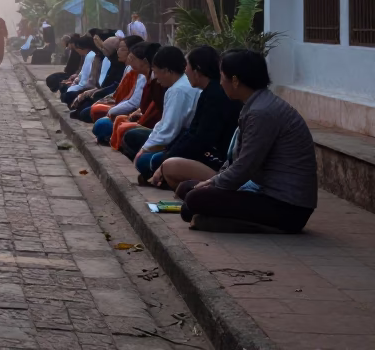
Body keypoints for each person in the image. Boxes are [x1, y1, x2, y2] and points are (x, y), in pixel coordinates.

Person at [176, 50, 317, 234]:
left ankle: (245, 224)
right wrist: (214, 182)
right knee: (187, 189)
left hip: (286, 206)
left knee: (195, 199)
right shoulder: (256, 105)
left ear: (235, 81)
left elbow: (245, 166)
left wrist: (213, 183)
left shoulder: (262, 112)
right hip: (262, 190)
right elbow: (238, 161)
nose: (220, 82)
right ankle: (213, 218)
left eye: (222, 77)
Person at [150, 46, 242, 189]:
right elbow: (192, 132)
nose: (185, 71)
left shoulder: (217, 95)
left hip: (219, 162)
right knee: (160, 161)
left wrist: (166, 160)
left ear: (197, 70)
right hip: (208, 155)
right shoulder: (208, 92)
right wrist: (168, 155)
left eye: (187, 66)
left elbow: (201, 139)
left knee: (161, 164)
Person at [125, 45, 201, 174]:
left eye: (156, 71)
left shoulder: (178, 90)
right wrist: (145, 147)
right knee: (133, 137)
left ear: (166, 70)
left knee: (143, 160)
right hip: (176, 138)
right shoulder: (176, 86)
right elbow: (163, 124)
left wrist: (144, 150)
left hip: (182, 141)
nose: (155, 76)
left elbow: (169, 130)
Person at [59, 36, 97, 105]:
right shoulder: (87, 55)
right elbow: (82, 72)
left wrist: (75, 82)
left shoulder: (91, 56)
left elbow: (87, 77)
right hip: (81, 83)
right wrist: (75, 79)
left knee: (67, 94)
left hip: (87, 86)